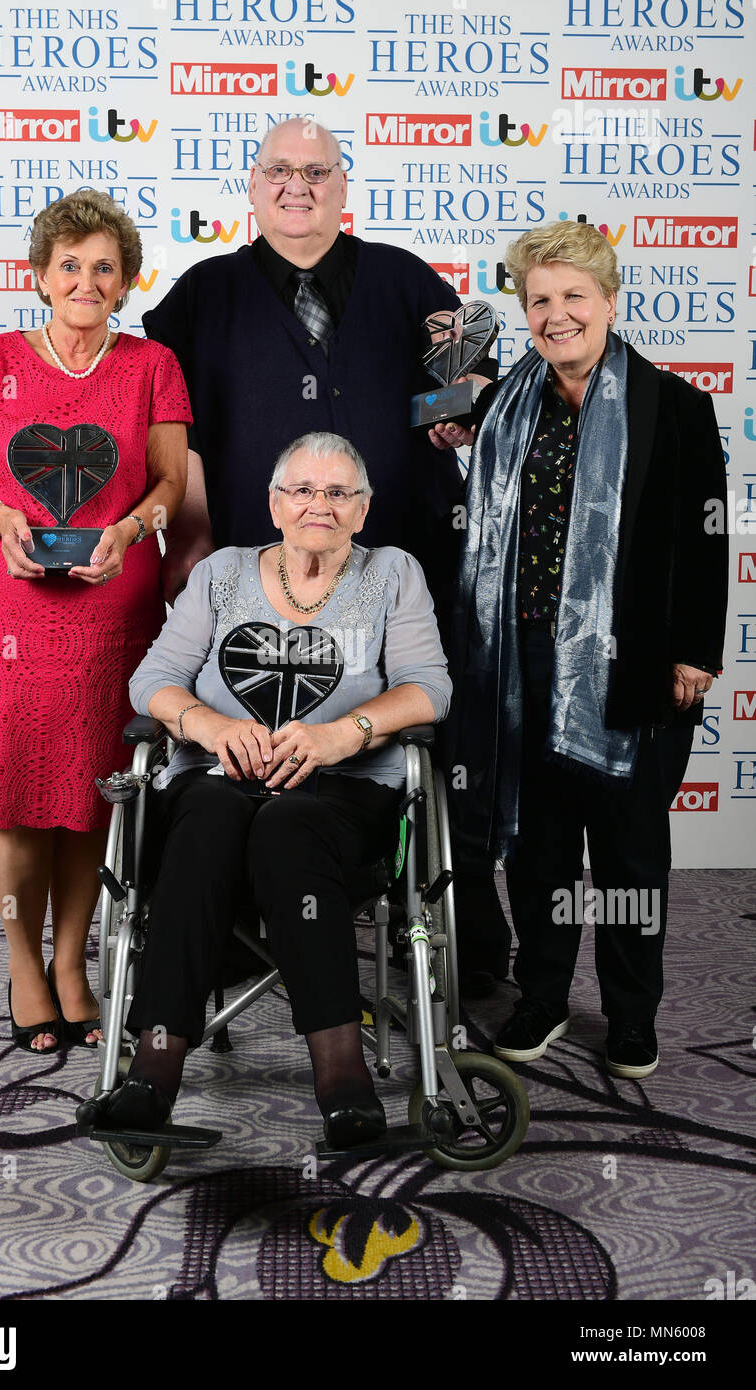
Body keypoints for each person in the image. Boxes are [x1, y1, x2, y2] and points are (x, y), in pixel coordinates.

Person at [143, 115, 510, 991]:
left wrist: (463, 409)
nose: (296, 185)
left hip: (405, 562)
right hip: (258, 580)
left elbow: (469, 386)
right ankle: (235, 927)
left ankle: (467, 943)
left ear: (345, 187)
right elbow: (175, 436)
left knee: (427, 737)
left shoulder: (405, 279)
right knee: (251, 748)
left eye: (317, 171)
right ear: (252, 185)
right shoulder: (200, 295)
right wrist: (190, 535)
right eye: (278, 169)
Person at [95, 432, 452, 1146]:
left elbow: (428, 690)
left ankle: (342, 1078)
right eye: (301, 490)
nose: (317, 505)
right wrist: (209, 725)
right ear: (273, 503)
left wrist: (341, 734)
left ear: (362, 510)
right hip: (217, 782)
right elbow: (152, 681)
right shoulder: (223, 573)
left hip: (341, 794)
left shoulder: (391, 573)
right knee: (208, 816)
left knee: (286, 826)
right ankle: (152, 1068)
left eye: (337, 493)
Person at [450, 220, 728, 1079]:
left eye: (574, 296)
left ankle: (631, 1012)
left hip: (634, 665)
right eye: (540, 300)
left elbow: (705, 537)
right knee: (538, 844)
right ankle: (540, 995)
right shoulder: (499, 407)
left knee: (629, 849)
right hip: (519, 664)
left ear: (609, 300)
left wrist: (694, 654)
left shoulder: (673, 406)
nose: (557, 314)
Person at [0, 189, 190, 1054]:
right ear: (40, 276)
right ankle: (23, 965)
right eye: (69, 264)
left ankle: (71, 963)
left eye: (103, 267)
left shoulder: (154, 366)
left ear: (126, 283)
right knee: (12, 802)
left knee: (90, 799)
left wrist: (128, 528)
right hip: (2, 608)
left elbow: (168, 488)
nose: (85, 280)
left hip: (112, 604)